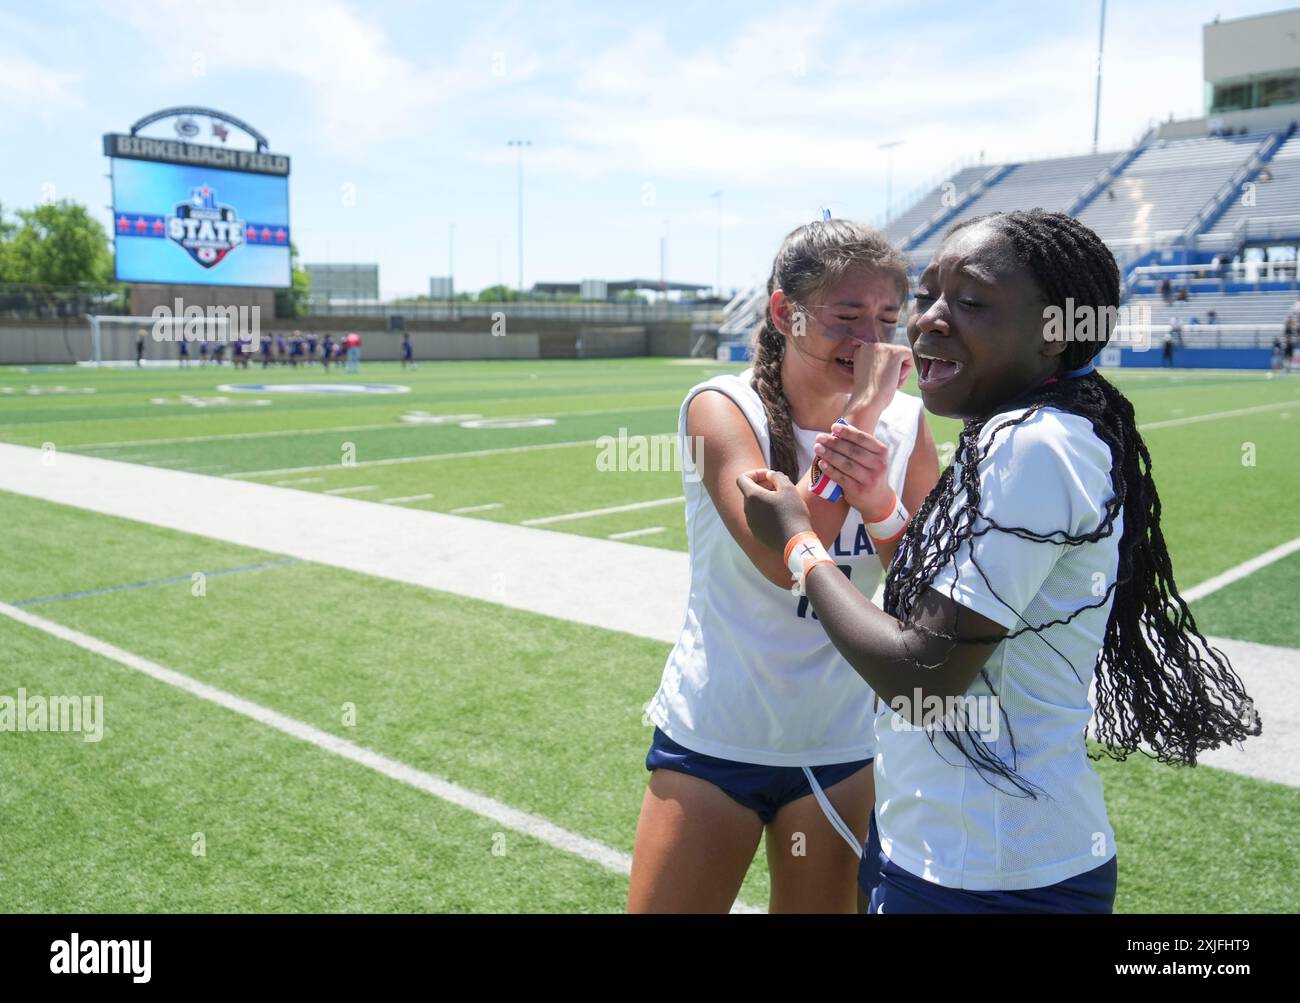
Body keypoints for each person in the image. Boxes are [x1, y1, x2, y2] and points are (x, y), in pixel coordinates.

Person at [736, 209, 1260, 913]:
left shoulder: (1033, 444)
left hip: (987, 874)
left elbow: (920, 671)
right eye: (927, 295)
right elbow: (958, 606)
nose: (928, 320)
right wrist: (883, 507)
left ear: (1056, 333)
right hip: (953, 847)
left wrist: (800, 542)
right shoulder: (1029, 428)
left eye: (973, 302)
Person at [629, 219, 940, 913]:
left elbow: (926, 584)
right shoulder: (719, 406)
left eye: (888, 318)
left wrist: (883, 499)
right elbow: (781, 558)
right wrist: (859, 420)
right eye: (846, 316)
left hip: (838, 744)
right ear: (784, 313)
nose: (869, 339)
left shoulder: (907, 422)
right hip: (716, 733)